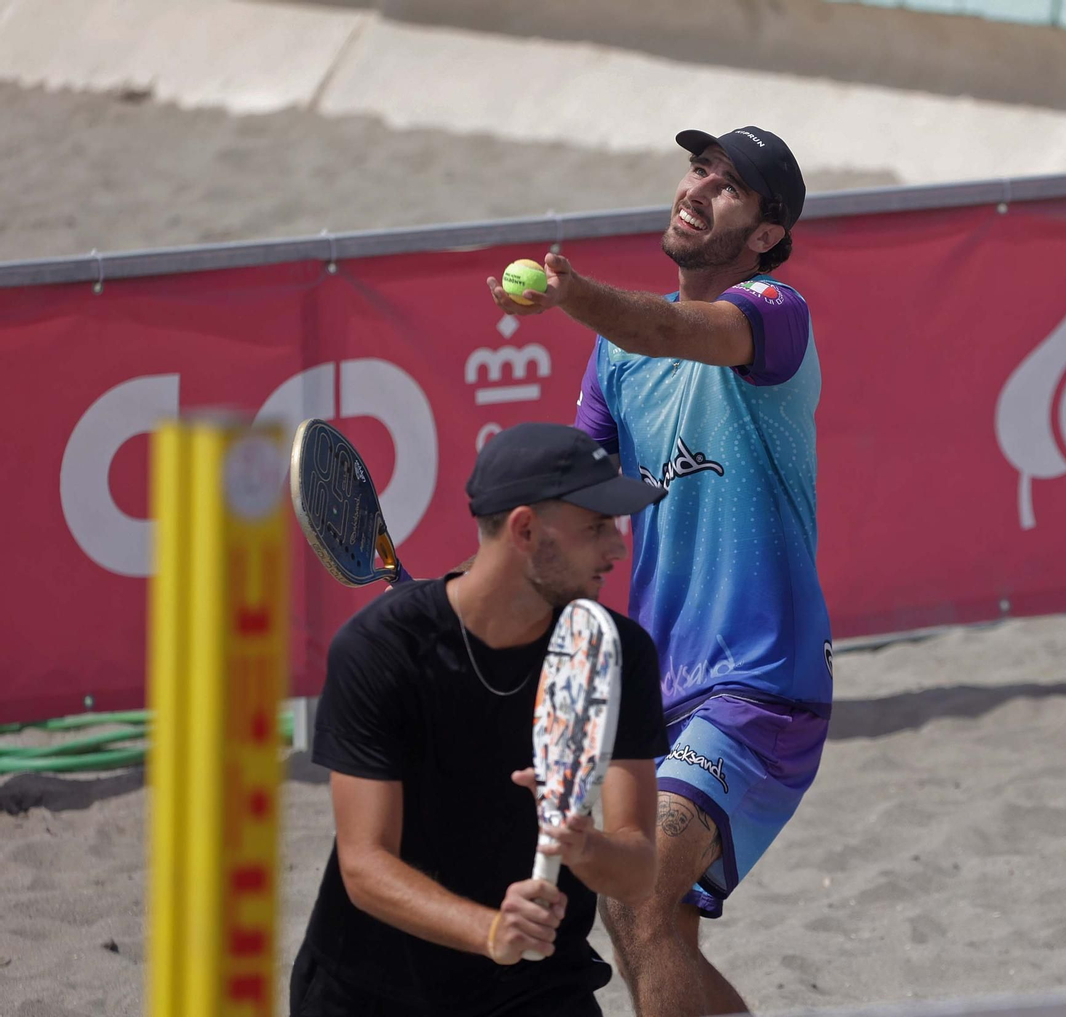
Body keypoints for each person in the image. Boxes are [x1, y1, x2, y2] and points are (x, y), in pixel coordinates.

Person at [487, 125, 833, 1017]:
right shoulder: (617, 358)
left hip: (758, 687)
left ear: (764, 231)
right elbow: (577, 501)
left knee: (636, 892)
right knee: (656, 922)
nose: (698, 187)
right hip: (661, 688)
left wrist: (575, 297)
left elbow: (674, 326)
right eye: (698, 169)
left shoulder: (772, 314)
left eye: (728, 186)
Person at [289, 422, 670, 1017]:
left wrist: (583, 843)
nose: (617, 550)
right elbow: (364, 867)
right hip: (373, 991)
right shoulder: (380, 649)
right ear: (524, 529)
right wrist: (492, 931)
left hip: (537, 989)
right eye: (596, 527)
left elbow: (638, 872)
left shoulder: (615, 652)